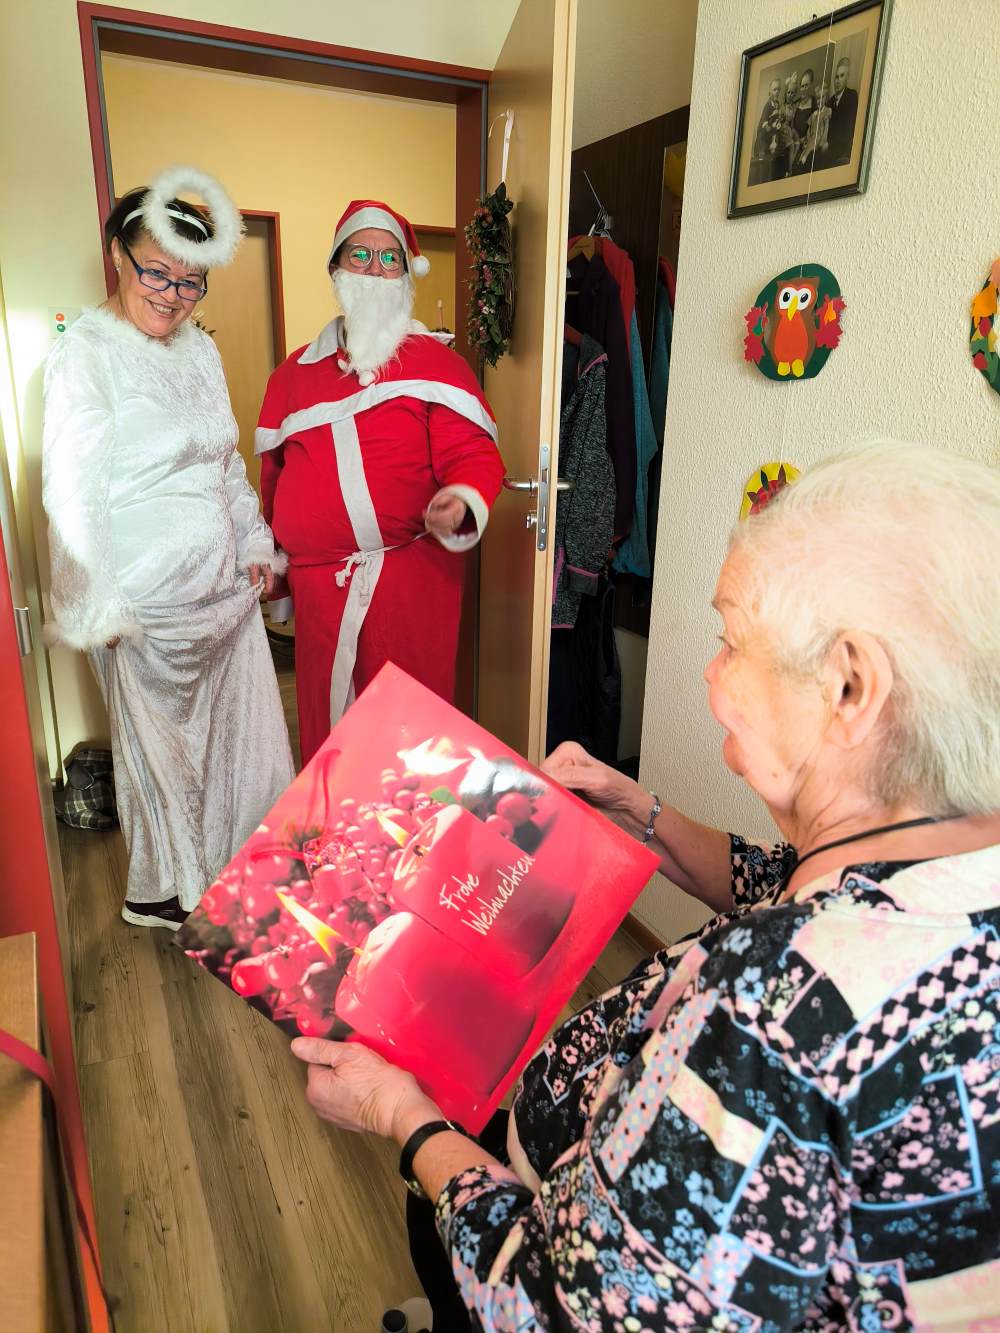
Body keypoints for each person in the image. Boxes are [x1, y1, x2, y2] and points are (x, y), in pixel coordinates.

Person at [291, 443, 1000, 1329]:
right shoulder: (951, 864)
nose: (708, 670)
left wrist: (400, 1111)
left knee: (438, 1201)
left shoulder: (774, 1014)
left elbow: (557, 1310)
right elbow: (779, 883)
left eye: (731, 638)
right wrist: (642, 812)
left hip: (540, 1237)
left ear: (850, 685)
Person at [42, 167, 294, 930]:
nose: (171, 293)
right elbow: (70, 490)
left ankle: (250, 881)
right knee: (167, 763)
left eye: (192, 282)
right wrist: (97, 602)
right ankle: (173, 892)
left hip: (225, 593)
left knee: (245, 751)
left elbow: (224, 460)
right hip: (147, 609)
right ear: (121, 255)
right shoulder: (85, 352)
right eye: (156, 270)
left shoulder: (200, 353)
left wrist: (253, 536)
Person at [256, 200, 506, 765]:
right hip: (322, 591)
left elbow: (473, 453)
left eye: (389, 257)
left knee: (408, 741)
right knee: (331, 734)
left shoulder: (436, 365)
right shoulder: (293, 376)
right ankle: (339, 847)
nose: (374, 267)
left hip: (408, 584)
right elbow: (274, 476)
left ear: (406, 273)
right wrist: (274, 554)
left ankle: (415, 852)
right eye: (360, 254)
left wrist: (460, 499)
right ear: (337, 269)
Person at [827, 56, 859, 164]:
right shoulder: (829, 102)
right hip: (828, 150)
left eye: (842, 76)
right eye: (836, 77)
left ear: (847, 78)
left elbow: (850, 129)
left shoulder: (852, 96)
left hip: (844, 151)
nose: (837, 80)